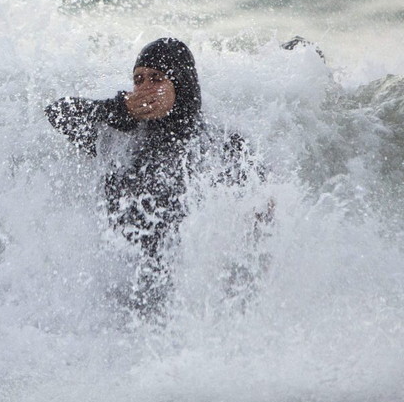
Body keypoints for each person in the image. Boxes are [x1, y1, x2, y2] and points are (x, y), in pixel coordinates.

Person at [46, 38, 257, 310]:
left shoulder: (218, 144)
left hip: (186, 297)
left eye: (156, 78)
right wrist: (120, 110)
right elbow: (58, 114)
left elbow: (261, 204)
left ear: (180, 83)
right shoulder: (120, 137)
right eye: (138, 80)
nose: (144, 89)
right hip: (119, 289)